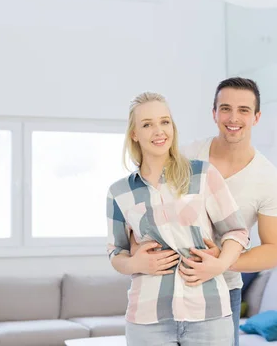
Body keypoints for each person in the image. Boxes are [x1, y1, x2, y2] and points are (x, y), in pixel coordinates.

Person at [131, 78, 277, 346]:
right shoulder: (183, 157)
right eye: (225, 108)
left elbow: (274, 249)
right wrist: (136, 252)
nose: (233, 117)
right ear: (214, 113)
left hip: (224, 290)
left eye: (244, 110)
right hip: (167, 288)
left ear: (256, 117)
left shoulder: (269, 179)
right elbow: (141, 208)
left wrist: (220, 262)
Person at [106, 91, 250, 346]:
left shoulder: (202, 174)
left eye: (164, 121)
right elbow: (116, 251)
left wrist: (220, 265)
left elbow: (237, 231)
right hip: (147, 319)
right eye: (147, 124)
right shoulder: (120, 192)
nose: (159, 131)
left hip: (208, 314)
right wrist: (136, 264)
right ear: (134, 134)